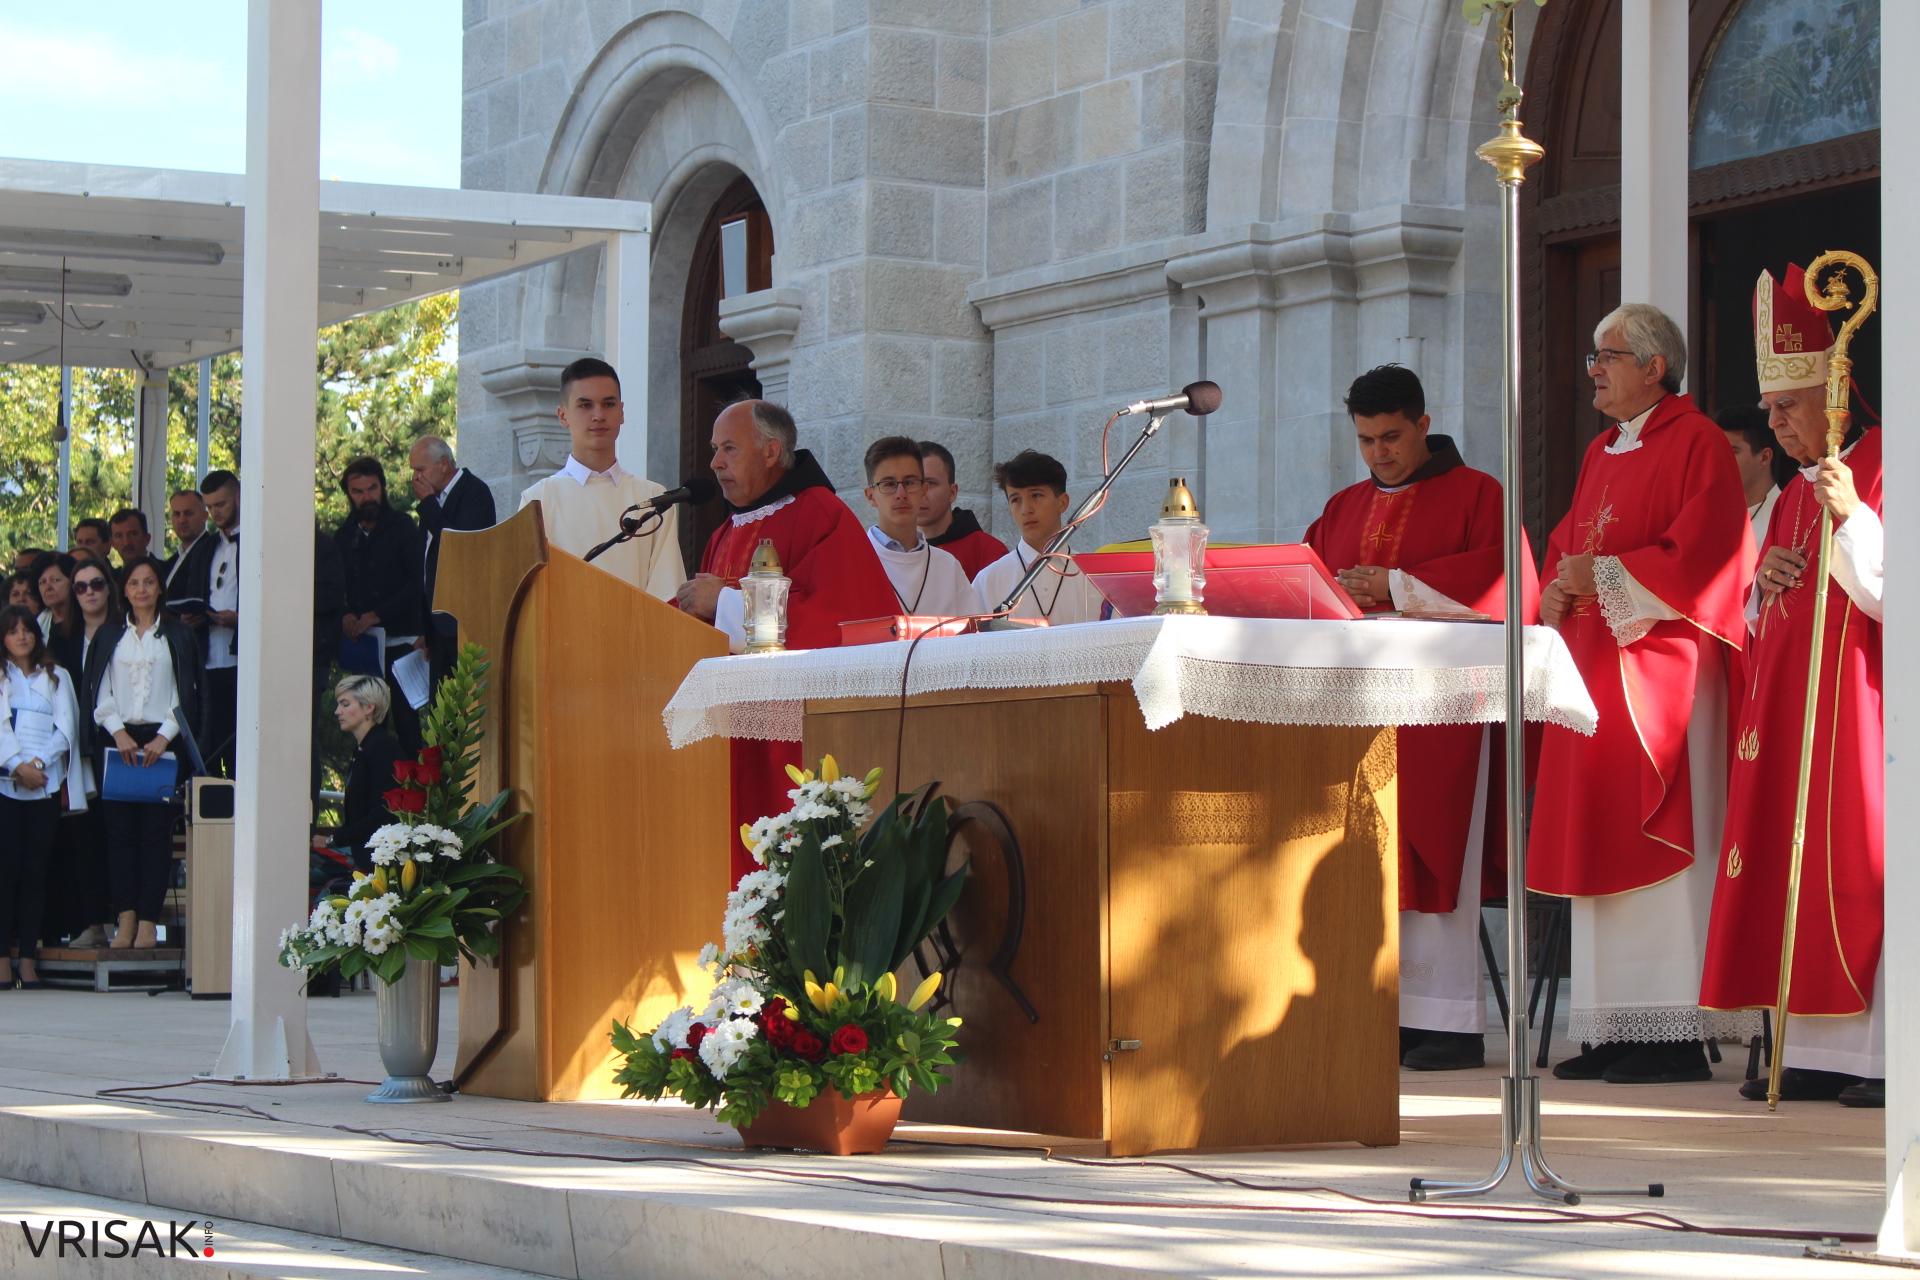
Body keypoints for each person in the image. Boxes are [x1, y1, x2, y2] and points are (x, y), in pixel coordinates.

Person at [1527, 303, 1753, 1085]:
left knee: (1657, 847)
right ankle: (1616, 1029)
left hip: (1662, 666)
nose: (1594, 367)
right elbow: (1570, 542)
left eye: (1608, 354)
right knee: (1598, 838)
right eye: (1594, 355)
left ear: (1654, 366)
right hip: (1595, 663)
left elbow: (1711, 551)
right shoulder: (1602, 449)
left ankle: (1675, 1037)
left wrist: (1607, 577)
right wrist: (1557, 588)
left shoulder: (1695, 442)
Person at [1304, 364, 1534, 1071]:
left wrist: (1397, 585)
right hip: (1358, 711)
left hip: (1444, 715)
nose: (1380, 453)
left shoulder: (1478, 494)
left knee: (1439, 857)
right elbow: (1306, 580)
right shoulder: (1341, 507)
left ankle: (1449, 1022)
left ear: (1424, 424)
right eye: (1368, 440)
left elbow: (1508, 580)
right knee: (1366, 859)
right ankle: (1382, 1009)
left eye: (1393, 437)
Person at [1699, 265, 1885, 1109]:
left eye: (1787, 408)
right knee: (1795, 865)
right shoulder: (1804, 485)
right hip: (1792, 707)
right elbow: (1761, 602)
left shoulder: (1879, 465)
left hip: (1868, 709)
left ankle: (1878, 1059)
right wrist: (1763, 575)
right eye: (1770, 412)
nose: (1774, 427)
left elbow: (1891, 593)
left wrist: (1857, 519)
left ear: (1837, 395)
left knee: (1854, 866)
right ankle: (1810, 1044)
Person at [676, 398, 897, 881]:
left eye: (729, 449)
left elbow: (840, 621)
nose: (715, 463)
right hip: (732, 730)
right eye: (715, 450)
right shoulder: (727, 530)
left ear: (772, 451)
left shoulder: (821, 515)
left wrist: (726, 603)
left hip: (790, 738)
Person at [87, 559, 201, 950]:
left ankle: (150, 921)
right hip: (118, 738)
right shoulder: (108, 636)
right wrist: (118, 733)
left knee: (155, 835)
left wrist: (164, 737)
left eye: (148, 582)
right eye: (133, 582)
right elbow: (99, 692)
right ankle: (126, 918)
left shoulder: (176, 635)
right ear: (124, 589)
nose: (141, 589)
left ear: (158, 588)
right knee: (119, 835)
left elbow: (183, 693)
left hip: (160, 740)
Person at [518, 358, 685, 600]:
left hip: (636, 635)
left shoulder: (653, 498)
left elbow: (667, 592)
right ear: (562, 415)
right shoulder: (538, 499)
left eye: (608, 404)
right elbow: (528, 593)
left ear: (622, 413)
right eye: (585, 405)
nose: (598, 415)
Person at [0, 605, 86, 988]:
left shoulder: (56, 677)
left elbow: (66, 726)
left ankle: (29, 958)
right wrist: (17, 765)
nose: (21, 636)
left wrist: (38, 763)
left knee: (36, 873)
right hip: (7, 784)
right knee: (6, 873)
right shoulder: (2, 677)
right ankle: (3, 957)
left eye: (27, 629)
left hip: (44, 785)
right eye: (13, 630)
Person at [334, 457, 426, 753]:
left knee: (408, 724)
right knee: (368, 728)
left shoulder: (402, 528)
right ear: (348, 494)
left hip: (401, 643)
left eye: (372, 488)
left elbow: (417, 582)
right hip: (365, 649)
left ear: (383, 488)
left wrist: (378, 614)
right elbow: (335, 587)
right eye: (358, 491)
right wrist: (345, 614)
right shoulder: (344, 536)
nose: (366, 497)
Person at [50, 562, 121, 948]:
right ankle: (93, 922)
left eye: (96, 584)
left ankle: (124, 921)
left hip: (119, 745)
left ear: (109, 588)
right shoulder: (63, 639)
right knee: (85, 835)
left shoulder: (125, 633)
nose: (89, 592)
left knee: (120, 834)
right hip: (78, 752)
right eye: (80, 587)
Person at [970, 450, 1106, 625]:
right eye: (1015, 499)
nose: (1026, 509)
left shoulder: (1093, 578)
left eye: (1036, 495)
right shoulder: (988, 581)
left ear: (1062, 502)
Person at [411, 435, 497, 684]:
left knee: (464, 708)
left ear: (444, 464)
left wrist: (427, 503)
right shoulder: (433, 500)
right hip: (437, 627)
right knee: (441, 712)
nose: (416, 478)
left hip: (463, 624)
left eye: (420, 469)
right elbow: (427, 562)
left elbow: (459, 545)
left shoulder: (473, 492)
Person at [862, 438, 977, 620]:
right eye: (889, 484)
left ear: (923, 490)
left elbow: (974, 638)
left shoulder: (948, 567)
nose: (901, 494)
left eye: (909, 482)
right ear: (870, 496)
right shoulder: (852, 563)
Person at [315, 674, 404, 874]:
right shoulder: (366, 749)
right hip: (365, 854)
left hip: (374, 860)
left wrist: (333, 839)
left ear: (369, 708)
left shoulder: (382, 748)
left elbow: (383, 812)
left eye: (345, 704)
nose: (337, 711)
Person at [196, 469, 241, 777]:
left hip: (243, 658)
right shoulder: (208, 545)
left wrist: (241, 619)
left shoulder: (257, 538)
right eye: (210, 507)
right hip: (210, 656)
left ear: (239, 497)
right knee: (211, 741)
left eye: (221, 505)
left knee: (239, 744)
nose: (215, 513)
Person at [917, 440, 1008, 579]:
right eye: (912, 483)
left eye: (930, 483)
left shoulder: (990, 553)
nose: (920, 493)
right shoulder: (891, 551)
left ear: (952, 492)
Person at [1718, 404, 1791, 548]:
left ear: (1764, 457)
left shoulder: (1788, 516)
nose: (1720, 459)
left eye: (1732, 452)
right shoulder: (1712, 514)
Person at [162, 489, 215, 605]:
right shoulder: (172, 561)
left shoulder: (212, 551)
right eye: (176, 514)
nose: (182, 520)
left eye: (189, 513)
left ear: (205, 516)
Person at [31, 553, 79, 648]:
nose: (48, 587)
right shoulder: (38, 622)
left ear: (73, 582)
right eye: (42, 582)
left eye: (55, 580)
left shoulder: (86, 619)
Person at [108, 508, 162, 583]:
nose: (126, 542)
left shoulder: (166, 572)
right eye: (119, 536)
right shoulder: (110, 580)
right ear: (112, 543)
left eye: (133, 534)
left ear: (147, 538)